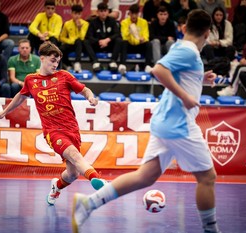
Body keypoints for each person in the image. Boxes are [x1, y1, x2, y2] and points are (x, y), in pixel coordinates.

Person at [72, 9, 221, 233]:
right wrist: (185, 96)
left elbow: (176, 74)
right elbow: (159, 70)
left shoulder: (186, 50)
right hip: (178, 124)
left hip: (166, 122)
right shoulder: (188, 50)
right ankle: (211, 231)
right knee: (207, 177)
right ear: (207, 32)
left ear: (184, 27)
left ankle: (88, 203)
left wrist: (200, 78)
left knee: (145, 177)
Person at [0, 41, 107, 205]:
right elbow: (21, 96)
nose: (55, 64)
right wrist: (4, 112)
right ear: (42, 58)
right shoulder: (31, 80)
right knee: (75, 156)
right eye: (52, 60)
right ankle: (99, 182)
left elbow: (84, 89)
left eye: (57, 62)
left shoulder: (64, 76)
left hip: (72, 129)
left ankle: (57, 186)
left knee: (72, 173)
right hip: (53, 131)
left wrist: (90, 97)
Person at [84, 2, 122, 73]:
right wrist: (99, 41)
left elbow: (117, 33)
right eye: (101, 11)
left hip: (109, 45)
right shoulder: (93, 22)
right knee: (86, 42)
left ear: (108, 12)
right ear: (97, 12)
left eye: (105, 11)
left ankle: (113, 62)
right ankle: (95, 63)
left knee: (119, 40)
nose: (103, 13)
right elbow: (89, 36)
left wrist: (107, 40)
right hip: (98, 45)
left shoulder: (112, 21)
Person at [119, 4, 152, 74]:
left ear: (138, 14)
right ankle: (122, 65)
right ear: (129, 13)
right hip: (129, 46)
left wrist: (142, 39)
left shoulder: (144, 22)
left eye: (136, 13)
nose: (134, 16)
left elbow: (146, 36)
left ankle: (147, 66)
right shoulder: (124, 23)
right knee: (123, 43)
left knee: (149, 44)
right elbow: (124, 37)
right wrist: (129, 30)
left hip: (139, 45)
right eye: (132, 13)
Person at [60, 4, 89, 73]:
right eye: (75, 13)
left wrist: (79, 28)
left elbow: (83, 38)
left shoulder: (85, 24)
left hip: (81, 46)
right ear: (72, 13)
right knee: (61, 49)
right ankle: (68, 65)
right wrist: (70, 41)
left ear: (81, 14)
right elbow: (61, 38)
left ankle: (77, 63)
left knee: (78, 41)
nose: (77, 16)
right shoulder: (67, 24)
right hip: (71, 44)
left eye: (79, 14)